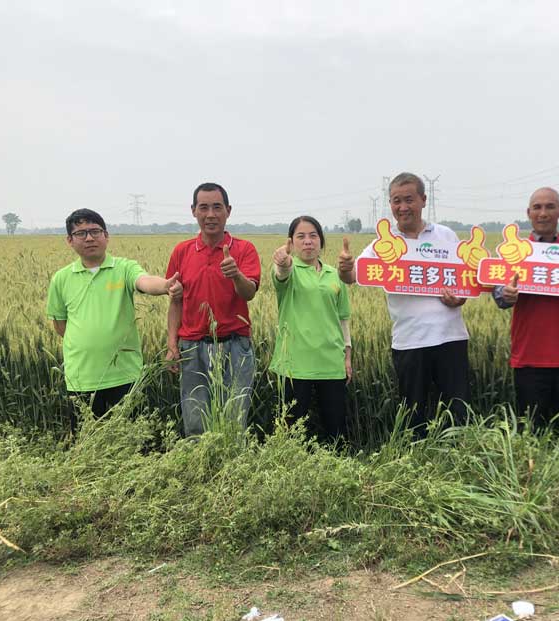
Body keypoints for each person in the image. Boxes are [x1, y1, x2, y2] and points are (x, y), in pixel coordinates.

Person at [338, 172, 469, 432]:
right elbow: (352, 276)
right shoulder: (383, 244)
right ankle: (418, 463)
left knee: (457, 410)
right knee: (413, 413)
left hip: (451, 338)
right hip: (409, 340)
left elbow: (464, 281)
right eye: (396, 201)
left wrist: (459, 298)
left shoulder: (446, 236)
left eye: (409, 199)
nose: (402, 207)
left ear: (423, 199)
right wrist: (344, 267)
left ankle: (460, 459)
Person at [47, 208, 182, 427]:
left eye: (95, 231)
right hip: (81, 377)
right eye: (81, 233)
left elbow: (144, 281)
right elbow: (60, 324)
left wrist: (165, 286)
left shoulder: (123, 268)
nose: (89, 237)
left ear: (106, 236)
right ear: (69, 240)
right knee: (86, 442)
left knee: (134, 440)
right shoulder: (61, 279)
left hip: (125, 375)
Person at [492, 187, 559, 441]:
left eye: (550, 207)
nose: (543, 213)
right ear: (528, 213)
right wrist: (505, 294)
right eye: (537, 207)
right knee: (531, 437)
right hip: (529, 359)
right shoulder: (514, 251)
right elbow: (498, 296)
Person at [165, 183, 261, 436]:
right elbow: (175, 300)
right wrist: (172, 345)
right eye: (203, 207)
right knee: (195, 417)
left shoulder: (244, 249)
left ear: (228, 211)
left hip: (235, 345)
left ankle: (231, 471)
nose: (210, 214)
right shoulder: (182, 251)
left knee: (234, 416)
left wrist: (236, 275)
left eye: (217, 207)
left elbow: (248, 292)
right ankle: (201, 470)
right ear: (193, 211)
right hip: (192, 346)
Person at [270, 215, 352, 441]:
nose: (308, 241)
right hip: (294, 364)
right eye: (301, 236)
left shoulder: (334, 275)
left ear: (321, 241)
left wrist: (347, 357)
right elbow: (281, 275)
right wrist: (282, 263)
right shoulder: (290, 270)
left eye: (313, 236)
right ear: (292, 242)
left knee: (337, 430)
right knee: (292, 432)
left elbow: (343, 318)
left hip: (331, 362)